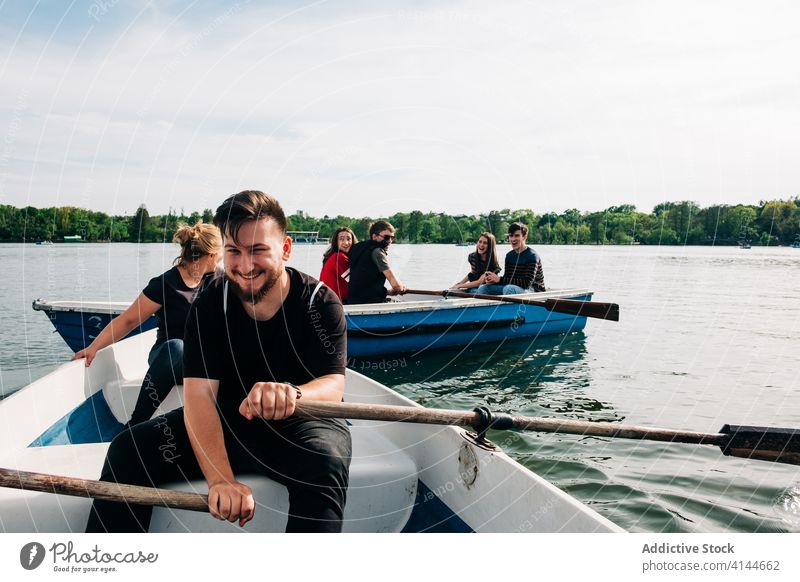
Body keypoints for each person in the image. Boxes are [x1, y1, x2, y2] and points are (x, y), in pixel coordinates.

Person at [86, 190, 351, 533]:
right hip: (228, 422)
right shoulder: (211, 301)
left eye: (258, 250)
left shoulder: (319, 302)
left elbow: (334, 385)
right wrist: (221, 480)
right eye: (233, 252)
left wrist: (294, 394)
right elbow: (199, 397)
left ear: (285, 248)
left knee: (324, 461)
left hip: (303, 424)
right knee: (129, 448)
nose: (244, 265)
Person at [72, 222, 222, 427]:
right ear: (211, 254)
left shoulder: (219, 281)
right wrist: (94, 347)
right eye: (221, 253)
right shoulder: (166, 283)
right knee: (176, 347)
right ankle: (134, 425)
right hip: (169, 360)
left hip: (203, 364)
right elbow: (128, 320)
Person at [476, 222, 546, 295]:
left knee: (509, 289)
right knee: (483, 288)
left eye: (517, 236)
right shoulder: (509, 256)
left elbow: (526, 283)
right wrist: (494, 280)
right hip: (515, 288)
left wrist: (499, 279)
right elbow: (507, 278)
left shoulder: (532, 256)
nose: (513, 239)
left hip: (533, 290)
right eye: (511, 236)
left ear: (524, 236)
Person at [347, 220, 406, 304]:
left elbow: (365, 283)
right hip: (370, 303)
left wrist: (387, 292)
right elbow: (396, 286)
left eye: (392, 238)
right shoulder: (377, 252)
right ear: (374, 236)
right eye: (386, 237)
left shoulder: (358, 248)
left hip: (353, 301)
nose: (390, 241)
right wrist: (402, 287)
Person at [319, 227, 357, 302]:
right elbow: (356, 282)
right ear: (336, 242)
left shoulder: (333, 256)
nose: (346, 243)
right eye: (341, 239)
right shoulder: (339, 257)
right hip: (333, 303)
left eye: (348, 239)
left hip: (326, 300)